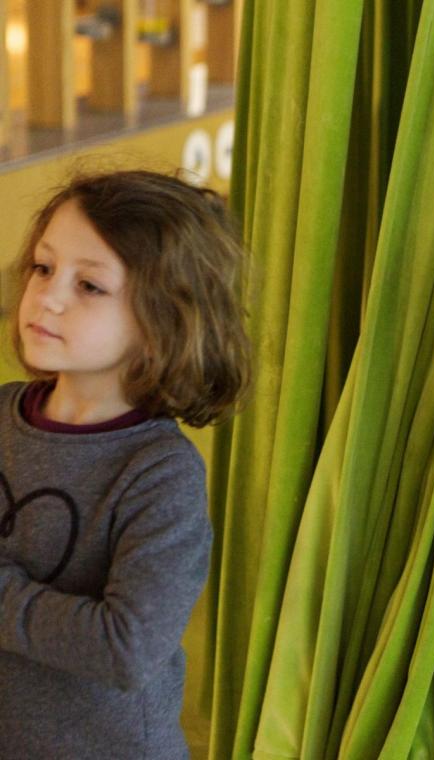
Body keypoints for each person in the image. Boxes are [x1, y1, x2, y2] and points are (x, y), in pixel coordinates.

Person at [0, 170, 252, 759]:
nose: (49, 296)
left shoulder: (159, 473)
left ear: (161, 322)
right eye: (43, 267)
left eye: (90, 285)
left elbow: (128, 647)